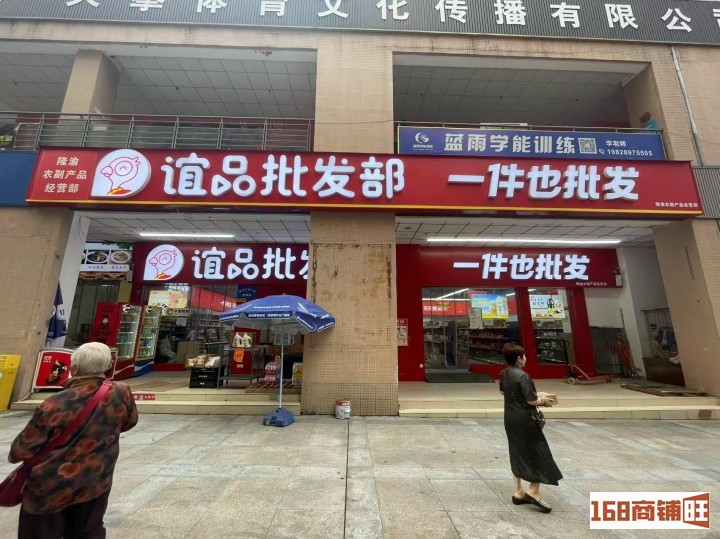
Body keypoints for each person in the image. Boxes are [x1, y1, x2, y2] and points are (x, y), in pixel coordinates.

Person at [8, 342, 138, 538]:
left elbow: (19, 451)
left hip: (50, 489)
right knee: (88, 531)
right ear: (108, 366)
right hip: (95, 482)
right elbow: (129, 422)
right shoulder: (122, 391)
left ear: (74, 368)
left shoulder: (54, 403)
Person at [499, 342, 562, 513]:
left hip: (510, 418)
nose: (526, 358)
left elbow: (505, 393)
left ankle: (518, 492)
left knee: (516, 451)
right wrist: (542, 400)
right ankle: (533, 490)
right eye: (524, 356)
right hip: (525, 419)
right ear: (519, 358)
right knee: (540, 452)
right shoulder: (523, 376)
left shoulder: (503, 374)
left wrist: (536, 394)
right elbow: (531, 400)